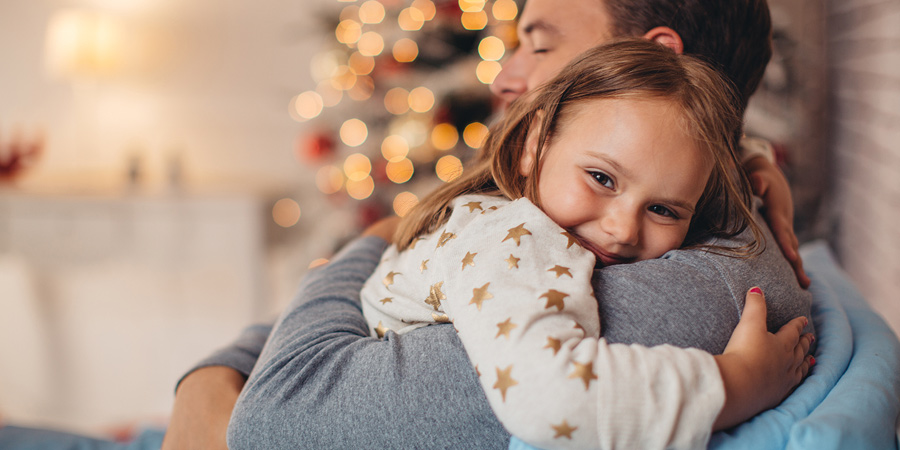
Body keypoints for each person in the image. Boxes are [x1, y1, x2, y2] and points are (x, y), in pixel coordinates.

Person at [165, 0, 816, 449]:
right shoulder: (523, 235)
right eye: (602, 179)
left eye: (539, 42)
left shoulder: (690, 283)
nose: (506, 75)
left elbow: (276, 418)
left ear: (641, 60)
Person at [355, 39, 813, 448]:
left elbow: (672, 157)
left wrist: (755, 161)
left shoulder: (539, 209)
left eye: (664, 210)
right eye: (601, 178)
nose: (623, 229)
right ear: (536, 144)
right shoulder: (512, 241)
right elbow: (552, 400)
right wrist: (737, 382)